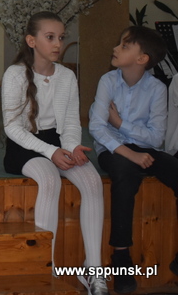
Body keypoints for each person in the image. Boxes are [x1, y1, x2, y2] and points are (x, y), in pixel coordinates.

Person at [2, 12, 108, 295]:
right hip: (24, 145)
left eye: (60, 37)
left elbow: (71, 122)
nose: (58, 44)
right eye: (50, 37)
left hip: (57, 142)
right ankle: (44, 269)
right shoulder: (15, 74)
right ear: (31, 41)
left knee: (92, 181)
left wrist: (72, 147)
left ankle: (94, 270)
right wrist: (52, 153)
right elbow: (12, 128)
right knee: (50, 180)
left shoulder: (67, 76)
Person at [89, 26, 178, 293]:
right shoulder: (108, 81)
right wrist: (131, 153)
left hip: (144, 148)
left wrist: (120, 123)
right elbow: (97, 127)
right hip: (113, 149)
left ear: (142, 59)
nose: (115, 48)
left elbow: (156, 138)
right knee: (125, 174)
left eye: (125, 46)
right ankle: (121, 257)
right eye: (120, 43)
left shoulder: (156, 88)